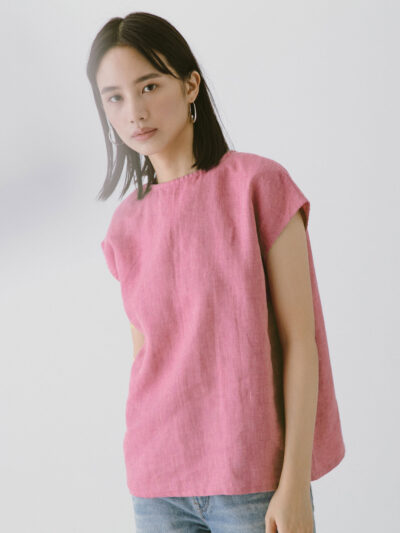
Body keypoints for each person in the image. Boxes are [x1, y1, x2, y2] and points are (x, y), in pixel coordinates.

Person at [86, 11, 345, 533]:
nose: (135, 111)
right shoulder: (125, 226)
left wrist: (295, 482)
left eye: (149, 86)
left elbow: (301, 342)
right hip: (157, 483)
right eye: (114, 97)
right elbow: (148, 355)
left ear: (190, 86)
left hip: (252, 480)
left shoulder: (258, 186)